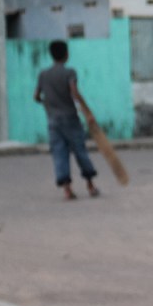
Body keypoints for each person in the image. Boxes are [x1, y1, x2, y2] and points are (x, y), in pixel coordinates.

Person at [34, 40, 99, 200]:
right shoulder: (70, 72)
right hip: (70, 118)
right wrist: (87, 112)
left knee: (59, 154)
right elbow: (74, 93)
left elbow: (36, 96)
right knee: (80, 151)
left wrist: (47, 103)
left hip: (53, 121)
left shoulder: (43, 74)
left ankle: (67, 190)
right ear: (66, 54)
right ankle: (90, 185)